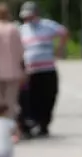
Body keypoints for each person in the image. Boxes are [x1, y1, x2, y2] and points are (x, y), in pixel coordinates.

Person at [18, 1, 67, 137]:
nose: (28, 19)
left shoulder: (47, 25)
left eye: (30, 15)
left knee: (49, 97)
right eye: (25, 16)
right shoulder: (21, 30)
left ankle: (44, 124)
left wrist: (59, 49)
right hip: (31, 71)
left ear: (36, 14)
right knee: (33, 99)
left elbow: (63, 32)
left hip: (47, 69)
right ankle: (33, 123)